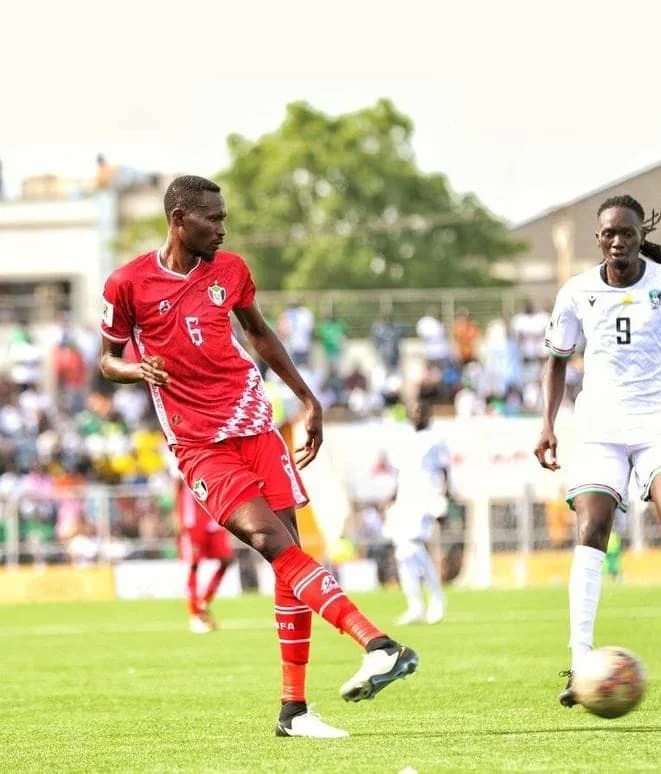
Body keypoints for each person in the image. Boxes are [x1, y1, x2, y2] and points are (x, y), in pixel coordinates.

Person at [98, 175, 418, 739]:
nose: (222, 228)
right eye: (212, 220)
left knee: (289, 554)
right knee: (271, 541)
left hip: (255, 424)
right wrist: (134, 367)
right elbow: (107, 359)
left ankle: (293, 711)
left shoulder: (232, 270)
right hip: (199, 443)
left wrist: (307, 397)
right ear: (179, 220)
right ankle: (378, 643)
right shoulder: (127, 283)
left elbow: (260, 334)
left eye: (224, 218)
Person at [534, 195, 661, 706]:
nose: (618, 241)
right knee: (592, 529)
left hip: (658, 420)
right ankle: (580, 659)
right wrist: (546, 425)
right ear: (598, 238)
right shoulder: (576, 292)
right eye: (609, 233)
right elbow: (555, 362)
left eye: (627, 233)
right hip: (598, 426)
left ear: (640, 236)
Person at [382, 398, 449, 625]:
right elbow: (402, 474)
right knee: (403, 553)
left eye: (421, 410)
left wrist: (444, 500)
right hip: (404, 500)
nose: (417, 414)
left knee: (412, 546)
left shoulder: (435, 439)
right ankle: (415, 606)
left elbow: (444, 470)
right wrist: (391, 497)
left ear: (428, 414)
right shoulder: (404, 439)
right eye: (414, 410)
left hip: (426, 499)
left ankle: (437, 600)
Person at [174, 471, 235, 634]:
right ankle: (195, 614)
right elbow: (177, 482)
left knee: (227, 560)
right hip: (192, 518)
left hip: (214, 515)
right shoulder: (179, 450)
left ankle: (203, 602)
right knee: (193, 564)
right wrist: (178, 515)